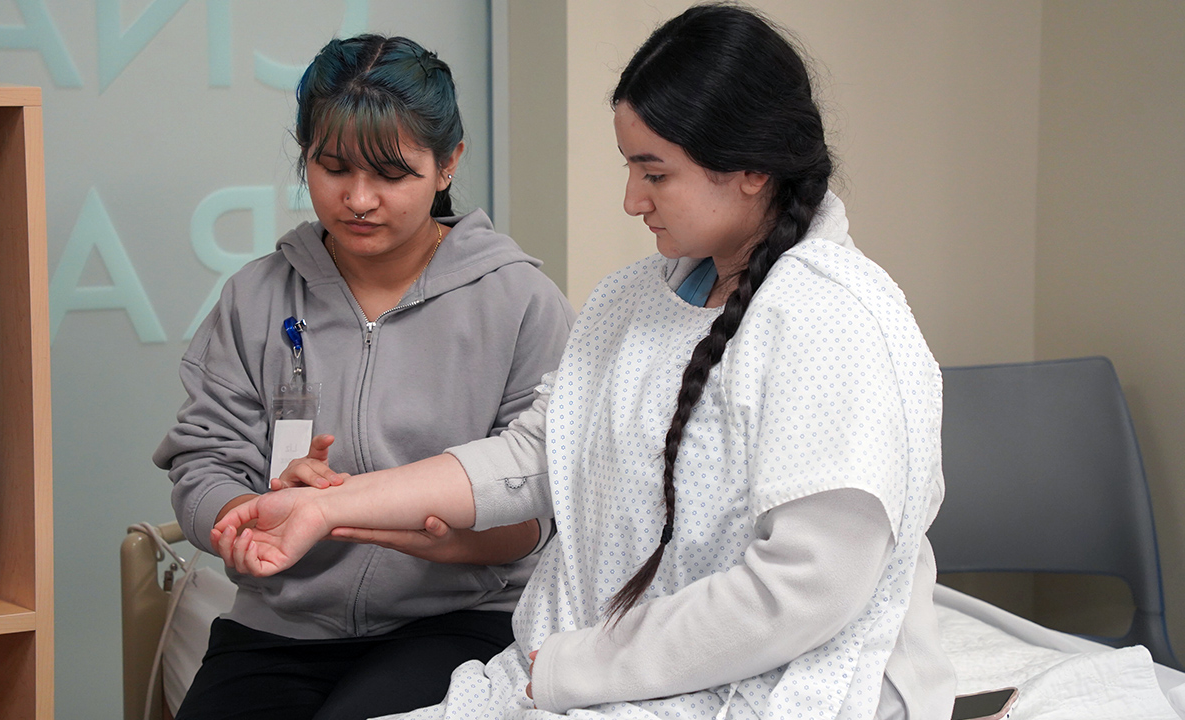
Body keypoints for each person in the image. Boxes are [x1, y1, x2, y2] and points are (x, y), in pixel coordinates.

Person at [215, 5, 957, 719]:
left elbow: (802, 590)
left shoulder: (833, 321)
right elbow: (538, 452)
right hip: (593, 666)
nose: (632, 199)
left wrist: (581, 665)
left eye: (654, 172)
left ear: (751, 169)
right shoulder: (631, 301)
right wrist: (325, 506)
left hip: (740, 679)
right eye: (629, 167)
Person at [153, 33, 574, 720]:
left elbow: (537, 510)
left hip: (461, 621)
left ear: (447, 166)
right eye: (333, 166)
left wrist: (446, 534)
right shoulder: (257, 297)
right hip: (278, 626)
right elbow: (203, 465)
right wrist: (246, 517)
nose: (358, 198)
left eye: (391, 174)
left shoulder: (521, 302)